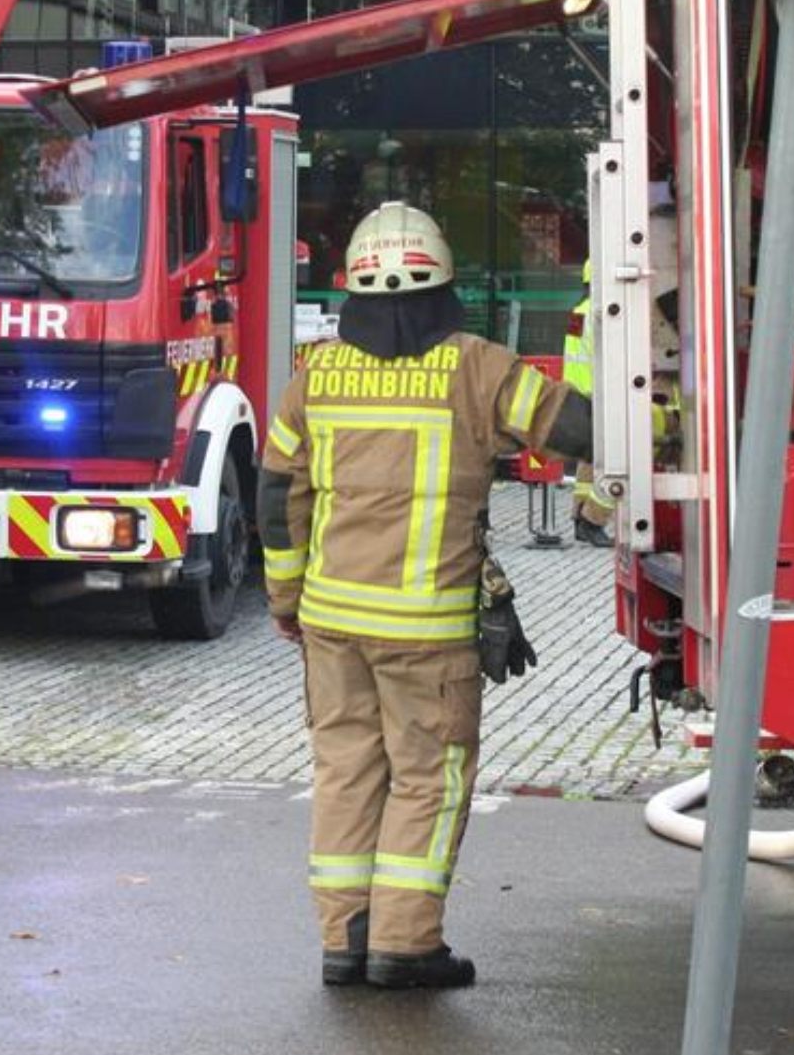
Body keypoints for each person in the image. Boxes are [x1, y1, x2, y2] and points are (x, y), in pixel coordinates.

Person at [258, 202, 592, 990]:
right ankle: (404, 944)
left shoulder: (315, 376)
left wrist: (283, 600)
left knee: (344, 771)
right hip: (428, 632)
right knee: (428, 776)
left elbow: (280, 499)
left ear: (355, 292)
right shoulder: (478, 367)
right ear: (446, 287)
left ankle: (345, 941)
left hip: (331, 626)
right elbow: (569, 426)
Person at [562, 259, 616, 547]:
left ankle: (578, 518)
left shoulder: (579, 311)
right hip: (600, 394)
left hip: (578, 393)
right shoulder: (603, 313)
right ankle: (593, 519)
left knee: (590, 458)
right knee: (616, 458)